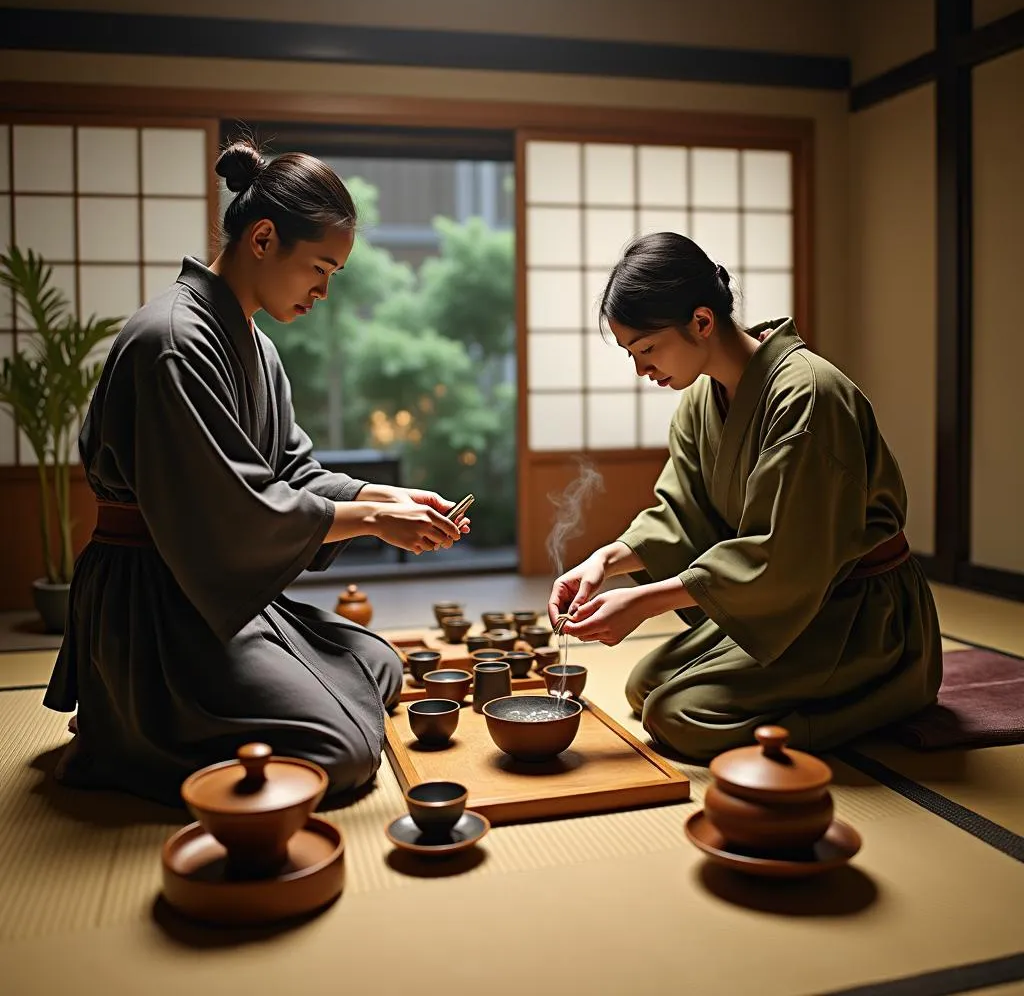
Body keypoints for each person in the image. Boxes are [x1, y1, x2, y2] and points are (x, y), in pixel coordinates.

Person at [45, 140, 468, 805]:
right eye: (320, 269)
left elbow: (291, 472)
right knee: (346, 751)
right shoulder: (173, 341)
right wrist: (373, 519)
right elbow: (230, 512)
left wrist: (384, 497)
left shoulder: (256, 345)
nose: (325, 293)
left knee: (379, 663)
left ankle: (146, 721)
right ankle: (120, 733)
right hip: (156, 601)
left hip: (211, 592)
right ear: (264, 239)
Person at [548, 232, 941, 760]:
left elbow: (786, 556)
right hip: (789, 606)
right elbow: (681, 514)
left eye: (646, 349)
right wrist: (605, 562)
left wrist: (642, 601)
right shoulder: (698, 402)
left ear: (702, 322)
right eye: (632, 354)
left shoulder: (809, 396)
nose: (642, 370)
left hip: (858, 613)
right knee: (645, 686)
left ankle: (885, 691)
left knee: (678, 715)